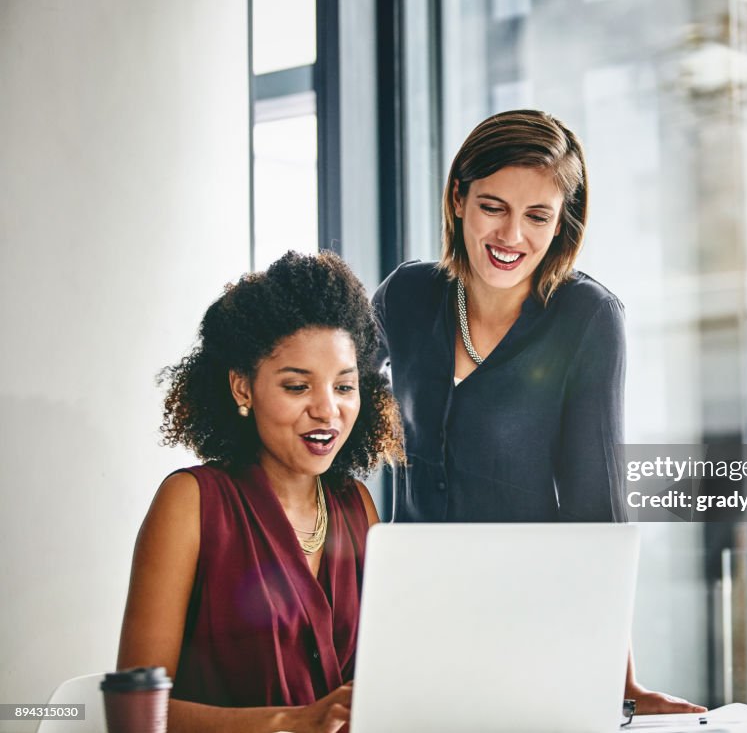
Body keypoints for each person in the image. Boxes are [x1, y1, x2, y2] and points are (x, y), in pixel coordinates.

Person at [374, 109, 706, 713]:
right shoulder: (406, 295)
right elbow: (334, 404)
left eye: (537, 216)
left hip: (533, 623)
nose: (512, 236)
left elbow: (595, 507)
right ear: (458, 199)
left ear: (561, 223)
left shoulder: (587, 318)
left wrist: (621, 681)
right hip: (412, 615)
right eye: (493, 207)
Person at [117, 251, 404, 733]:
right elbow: (133, 714)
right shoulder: (191, 503)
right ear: (242, 389)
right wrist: (293, 722)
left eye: (344, 387)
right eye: (297, 387)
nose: (327, 410)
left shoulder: (357, 507)